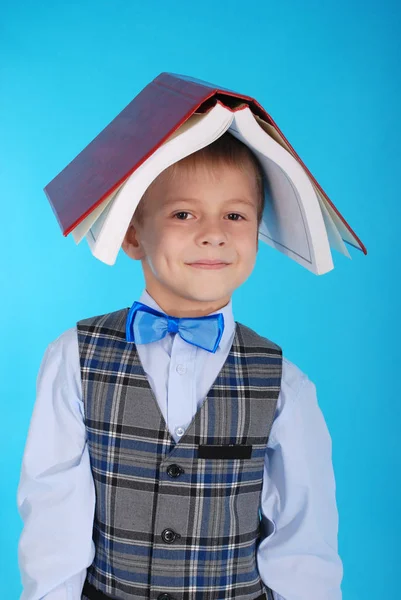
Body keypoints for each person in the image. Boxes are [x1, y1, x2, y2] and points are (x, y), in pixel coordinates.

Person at [17, 133, 343, 600]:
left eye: (235, 215)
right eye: (183, 213)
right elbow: (53, 517)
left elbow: (304, 542)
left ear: (257, 234)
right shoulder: (73, 358)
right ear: (133, 234)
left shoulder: (286, 384)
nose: (214, 232)